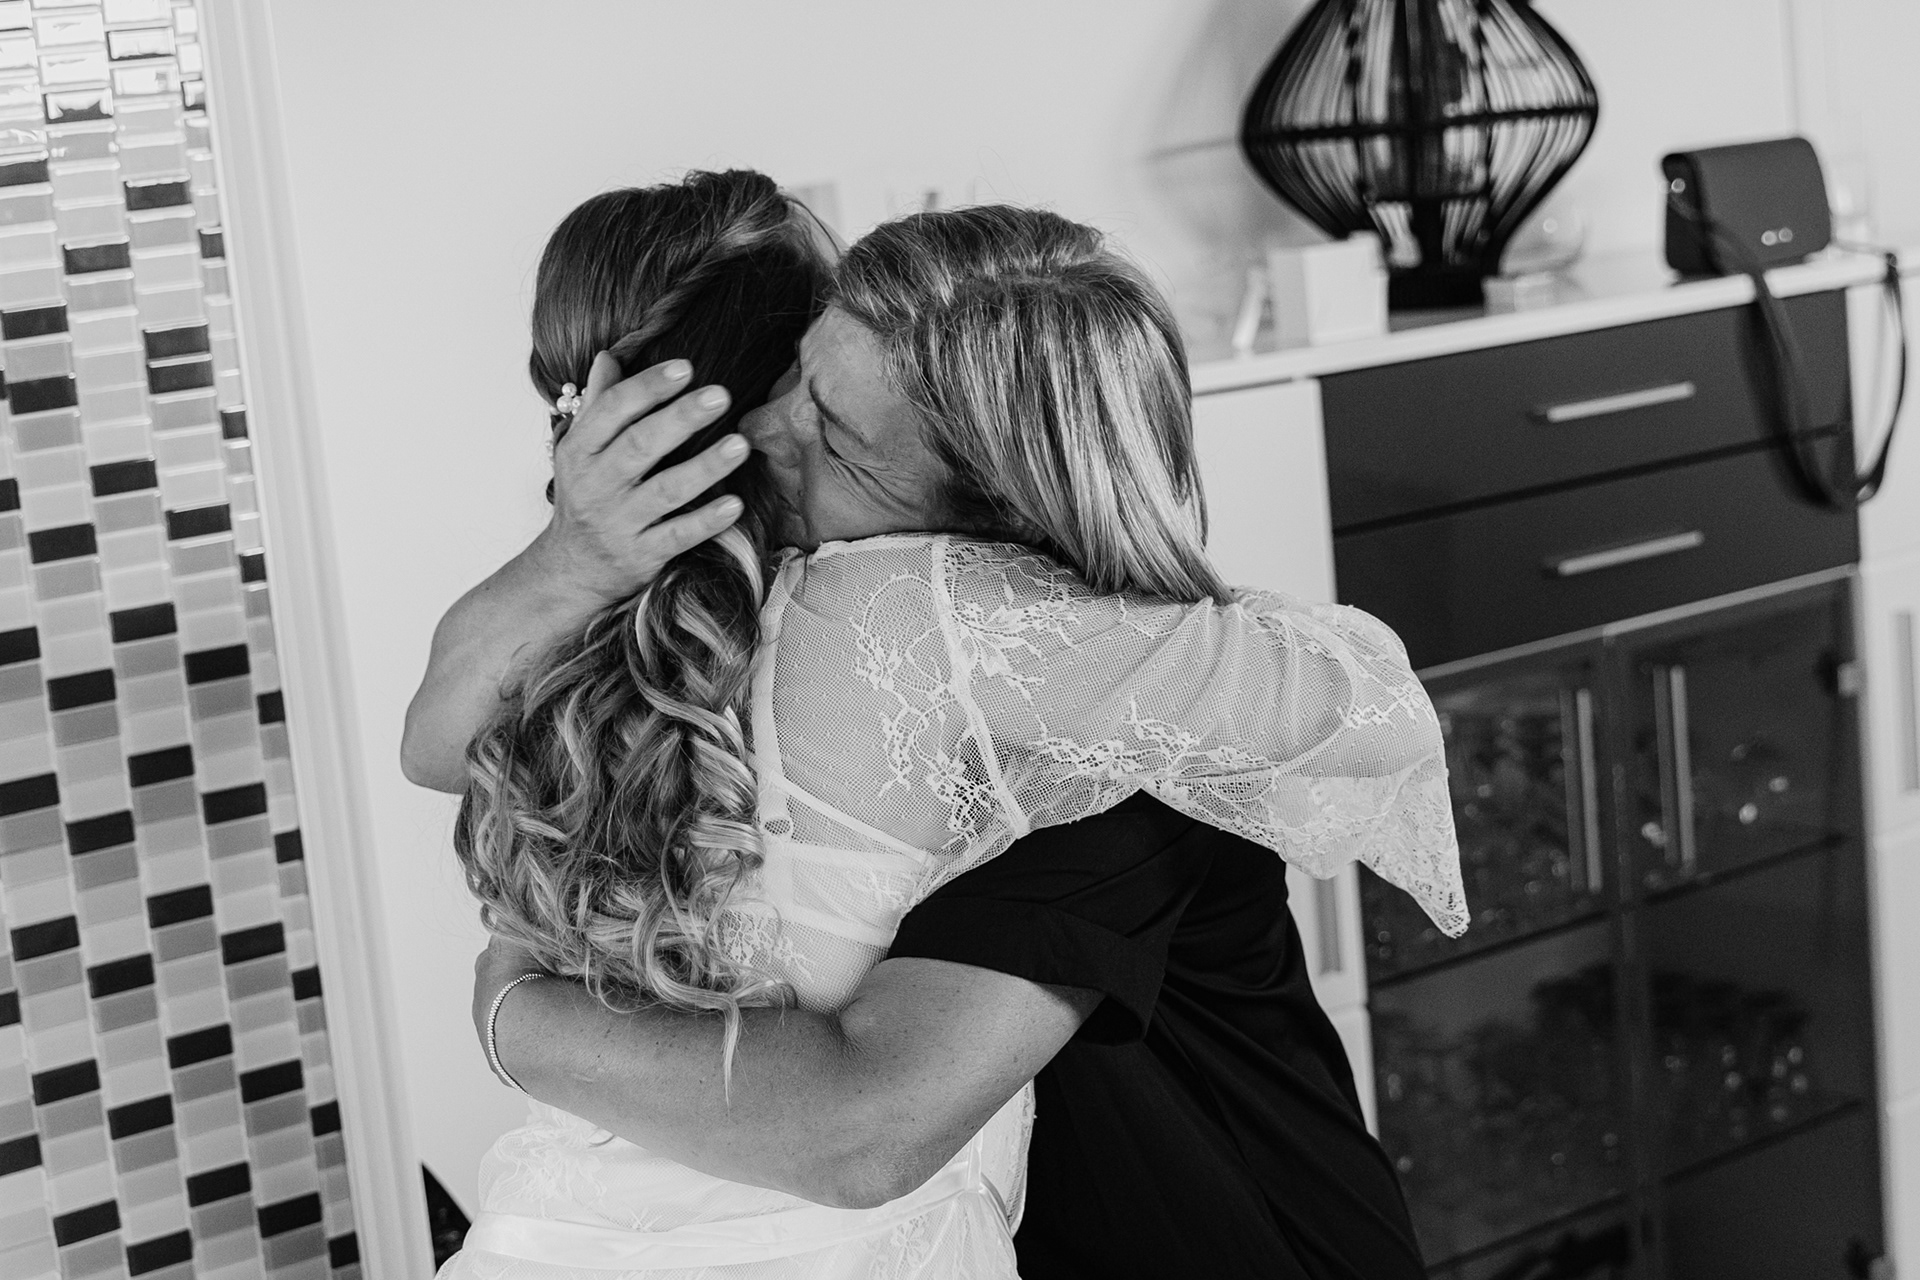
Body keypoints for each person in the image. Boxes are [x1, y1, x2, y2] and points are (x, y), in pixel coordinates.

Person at [408, 177, 1461, 1278]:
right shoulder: (737, 627)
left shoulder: (1005, 666)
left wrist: (515, 1014)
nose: (759, 431)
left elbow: (862, 1130)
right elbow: (438, 744)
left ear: (993, 509)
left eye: (838, 439)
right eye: (795, 376)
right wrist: (576, 556)